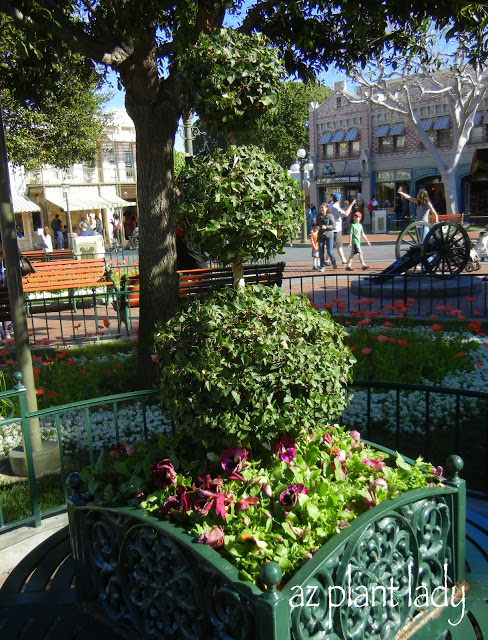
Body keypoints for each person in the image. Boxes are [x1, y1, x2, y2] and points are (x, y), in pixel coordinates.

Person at [327, 193, 356, 265]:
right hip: (336, 229)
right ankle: (343, 260)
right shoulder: (335, 207)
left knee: (331, 245)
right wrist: (351, 205)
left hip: (332, 228)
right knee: (339, 245)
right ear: (339, 200)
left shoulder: (330, 205)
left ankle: (327, 260)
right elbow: (346, 214)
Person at [316, 203, 336, 271]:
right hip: (321, 235)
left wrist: (326, 227)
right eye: (320, 208)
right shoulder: (319, 216)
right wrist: (317, 227)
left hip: (329, 235)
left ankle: (333, 262)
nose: (321, 209)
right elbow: (316, 224)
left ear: (326, 208)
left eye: (323, 207)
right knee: (321, 252)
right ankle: (322, 266)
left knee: (330, 251)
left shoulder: (330, 216)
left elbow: (334, 226)